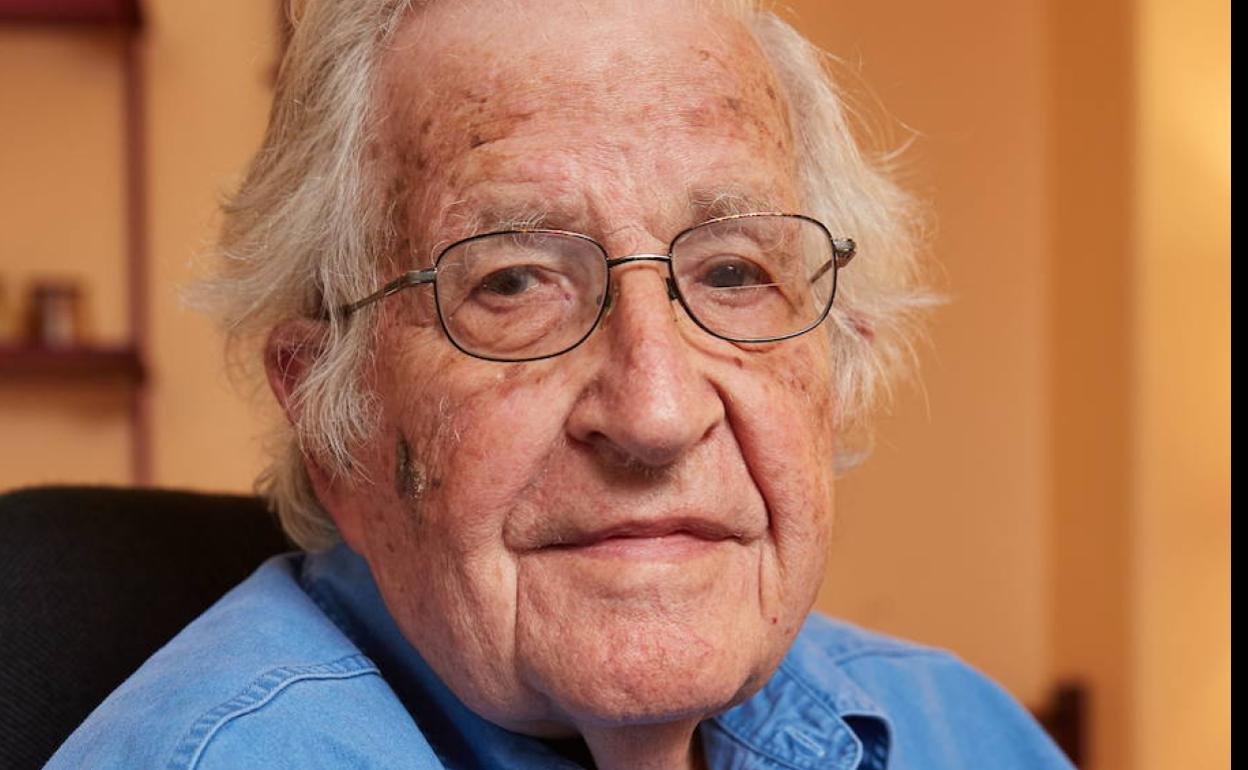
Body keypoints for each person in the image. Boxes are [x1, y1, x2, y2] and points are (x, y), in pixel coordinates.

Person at [47, 1, 1074, 768]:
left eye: (731, 273)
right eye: (513, 282)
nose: (656, 411)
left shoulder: (962, 731)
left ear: (836, 372)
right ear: (334, 420)